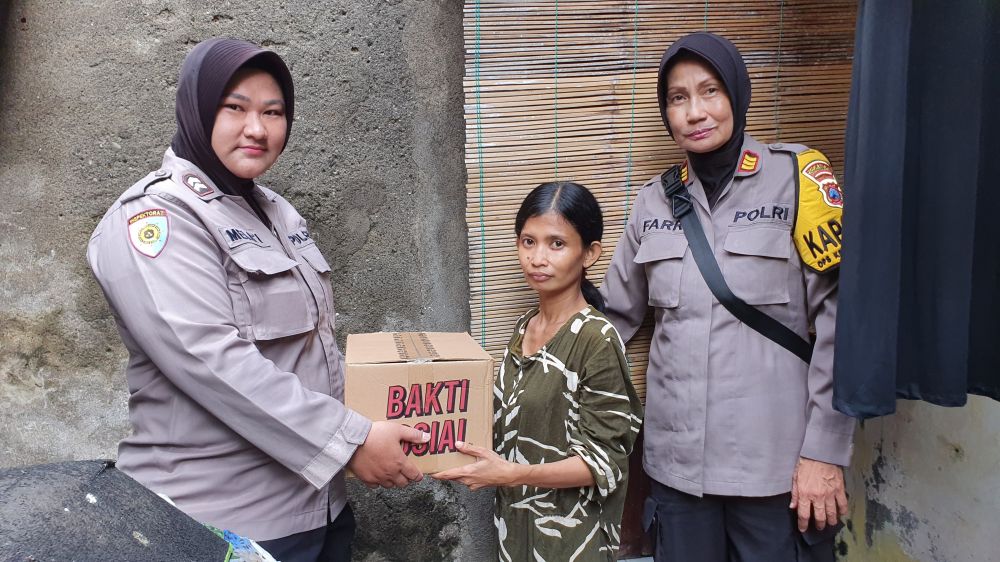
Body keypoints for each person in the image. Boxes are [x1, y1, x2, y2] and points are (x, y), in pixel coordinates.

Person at [86, 38, 429, 562]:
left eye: (274, 112)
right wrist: (354, 441)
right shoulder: (157, 219)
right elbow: (210, 359)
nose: (258, 129)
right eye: (236, 108)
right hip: (222, 524)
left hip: (316, 507)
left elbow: (309, 348)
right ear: (198, 111)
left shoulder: (274, 212)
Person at [600, 32, 856, 561]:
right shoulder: (652, 202)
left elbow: (842, 324)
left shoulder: (797, 179)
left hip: (777, 471)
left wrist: (824, 454)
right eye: (678, 97)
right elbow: (611, 322)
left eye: (710, 91)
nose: (695, 111)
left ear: (737, 95)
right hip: (676, 473)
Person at [434, 182, 643, 561]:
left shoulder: (597, 339)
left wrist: (512, 475)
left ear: (590, 253)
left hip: (572, 540)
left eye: (556, 244)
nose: (537, 258)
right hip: (515, 534)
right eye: (528, 242)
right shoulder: (524, 328)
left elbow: (605, 463)